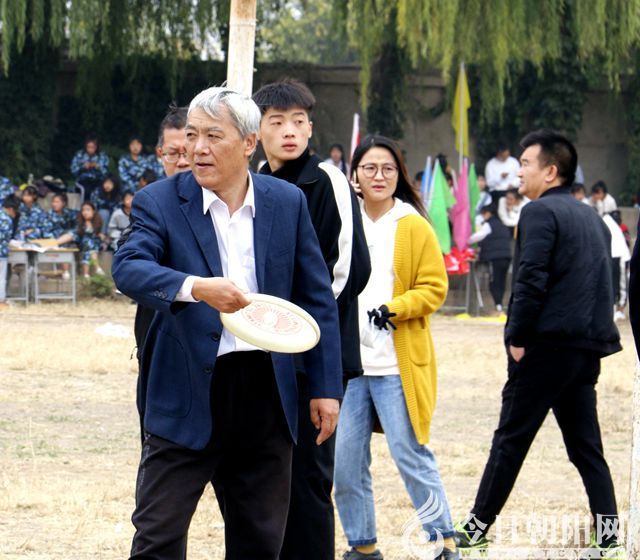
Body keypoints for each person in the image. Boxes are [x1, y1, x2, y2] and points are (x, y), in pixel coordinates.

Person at [112, 86, 343, 560]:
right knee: (157, 536)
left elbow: (316, 298)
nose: (197, 148)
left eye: (213, 136)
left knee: (259, 540)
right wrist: (195, 287)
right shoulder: (159, 201)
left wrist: (325, 387)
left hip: (266, 391)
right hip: (185, 388)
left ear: (248, 143)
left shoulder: (287, 201)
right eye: (191, 135)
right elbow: (129, 268)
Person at [455, 130, 625, 559]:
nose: (519, 172)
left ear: (551, 171)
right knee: (588, 450)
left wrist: (517, 336)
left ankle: (475, 532)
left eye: (527, 164)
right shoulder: (593, 218)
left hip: (545, 348)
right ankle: (610, 542)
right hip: (585, 350)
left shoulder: (538, 212)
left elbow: (530, 279)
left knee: (509, 442)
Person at [252, 78, 371, 560]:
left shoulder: (327, 179)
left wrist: (295, 324)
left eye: (298, 122)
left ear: (310, 128)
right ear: (256, 130)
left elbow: (347, 271)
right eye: (277, 121)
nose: (289, 131)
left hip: (313, 356)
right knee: (268, 475)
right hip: (265, 350)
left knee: (308, 480)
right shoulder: (256, 180)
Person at [333, 135, 455, 560]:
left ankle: (444, 542)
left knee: (411, 456)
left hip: (396, 365)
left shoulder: (413, 224)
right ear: (355, 175)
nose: (378, 176)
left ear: (399, 175)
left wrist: (396, 308)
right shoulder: (343, 221)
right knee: (345, 465)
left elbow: (434, 287)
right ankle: (362, 546)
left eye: (387, 168)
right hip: (350, 366)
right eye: (369, 168)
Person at [469, 204, 512, 315]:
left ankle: (498, 307)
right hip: (506, 256)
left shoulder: (488, 224)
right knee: (501, 281)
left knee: (494, 282)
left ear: (488, 213)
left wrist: (464, 240)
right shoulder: (503, 224)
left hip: (495, 257)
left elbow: (477, 237)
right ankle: (499, 306)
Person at [57, 201, 106, 278]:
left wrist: (101, 236)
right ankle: (95, 269)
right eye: (83, 210)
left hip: (94, 244)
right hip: (80, 243)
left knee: (88, 243)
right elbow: (76, 234)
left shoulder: (98, 222)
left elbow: (102, 236)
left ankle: (87, 273)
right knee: (71, 238)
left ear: (93, 211)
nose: (85, 212)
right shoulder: (79, 221)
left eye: (88, 210)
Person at [0, 195, 20, 306]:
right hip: (1, 253)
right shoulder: (7, 220)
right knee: (1, 278)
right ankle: (1, 301)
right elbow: (4, 237)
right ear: (11, 209)